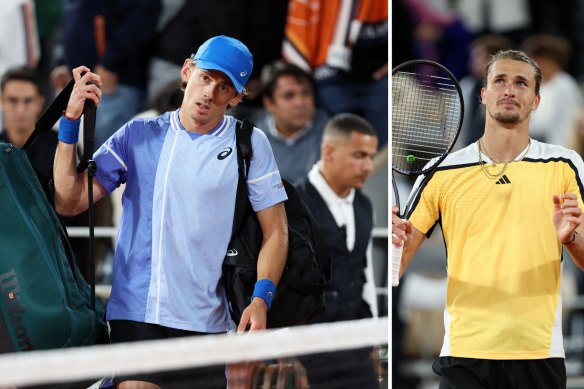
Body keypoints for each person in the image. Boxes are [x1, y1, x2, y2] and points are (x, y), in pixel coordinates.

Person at [53, 35, 289, 389]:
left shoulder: (250, 143)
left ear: (238, 97)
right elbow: (68, 201)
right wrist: (70, 122)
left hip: (207, 323)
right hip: (138, 313)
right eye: (206, 77)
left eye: (224, 87)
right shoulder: (138, 134)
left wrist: (261, 298)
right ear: (186, 71)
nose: (210, 92)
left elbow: (277, 232)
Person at [392, 49, 584, 389]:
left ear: (537, 100)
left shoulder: (565, 164)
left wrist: (571, 238)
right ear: (483, 94)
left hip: (539, 353)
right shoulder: (442, 170)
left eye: (521, 83)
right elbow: (397, 266)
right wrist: (396, 244)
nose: (509, 90)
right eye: (500, 81)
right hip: (465, 354)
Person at [296, 113, 379, 389]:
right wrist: (283, 349)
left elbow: (363, 270)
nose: (368, 166)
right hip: (307, 351)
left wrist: (374, 338)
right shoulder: (292, 204)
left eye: (370, 156)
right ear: (329, 151)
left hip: (357, 346)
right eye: (359, 155)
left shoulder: (365, 206)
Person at [256, 61, 329, 186]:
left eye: (306, 93)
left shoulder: (332, 134)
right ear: (269, 103)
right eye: (289, 96)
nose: (300, 103)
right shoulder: (253, 141)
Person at [521, 33, 583, 147]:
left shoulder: (564, 84)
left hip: (563, 150)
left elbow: (575, 125)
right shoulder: (538, 87)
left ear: (547, 60)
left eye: (536, 61)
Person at [0, 67, 52, 181]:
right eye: (13, 100)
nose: (20, 109)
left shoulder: (61, 146)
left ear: (40, 103)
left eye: (28, 100)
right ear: (2, 101)